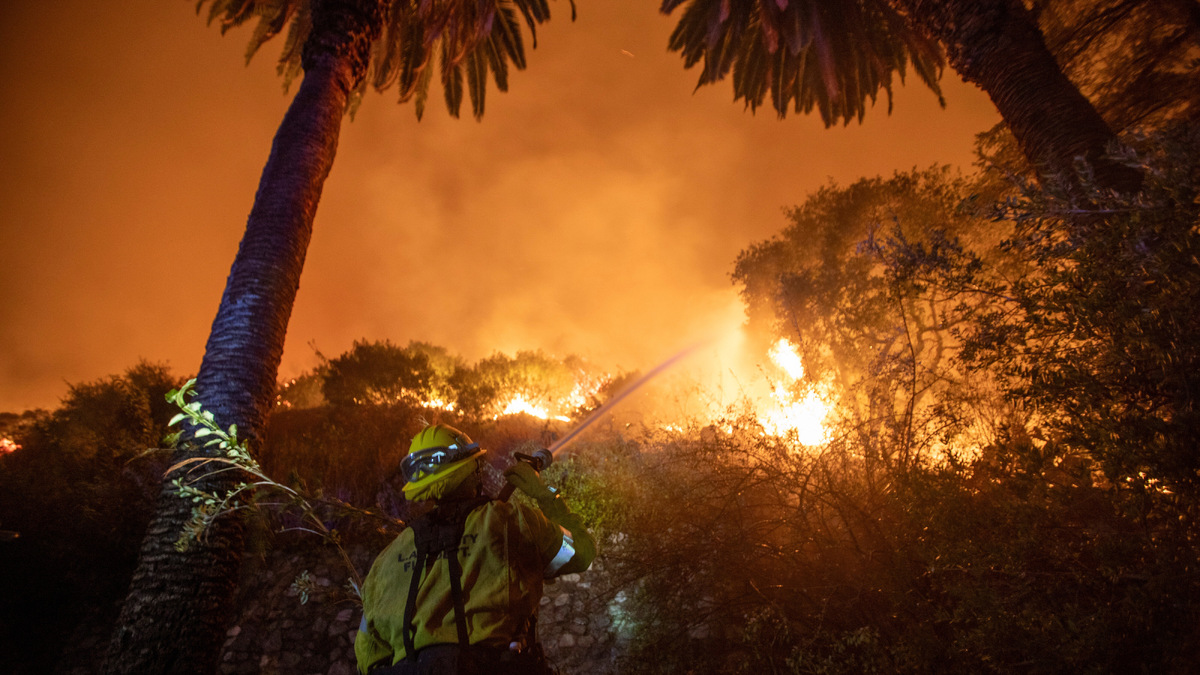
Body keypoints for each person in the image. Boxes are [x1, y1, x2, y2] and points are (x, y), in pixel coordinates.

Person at [354, 423, 596, 675]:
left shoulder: (386, 560)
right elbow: (582, 554)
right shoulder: (512, 521)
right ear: (471, 469)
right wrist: (545, 494)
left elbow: (367, 657)